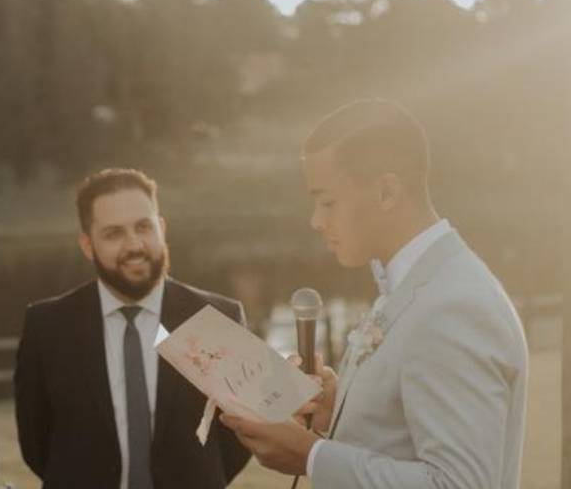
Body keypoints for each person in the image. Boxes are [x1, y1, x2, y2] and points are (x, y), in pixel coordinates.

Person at [220, 98, 528, 488]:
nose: (316, 221)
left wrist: (311, 456)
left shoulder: (453, 306)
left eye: (327, 202)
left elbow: (459, 484)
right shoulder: (412, 285)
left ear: (386, 192)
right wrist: (342, 408)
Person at [14, 168, 251, 489]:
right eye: (114, 234)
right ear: (88, 245)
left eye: (143, 227)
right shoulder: (48, 326)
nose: (135, 245)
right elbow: (36, 441)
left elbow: (239, 437)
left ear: (161, 228)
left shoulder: (215, 317)